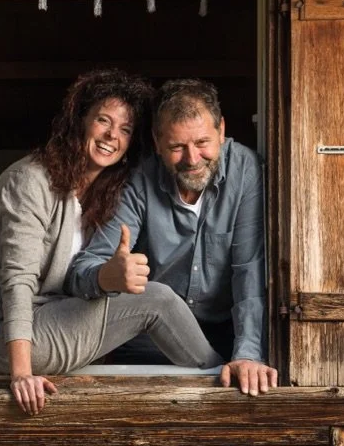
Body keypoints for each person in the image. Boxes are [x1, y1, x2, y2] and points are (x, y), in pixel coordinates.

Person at [0, 70, 234, 415]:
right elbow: (18, 281)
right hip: (6, 337)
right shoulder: (29, 181)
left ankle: (215, 377)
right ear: (79, 121)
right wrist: (21, 373)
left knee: (142, 298)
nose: (111, 136)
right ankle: (226, 383)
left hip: (50, 320)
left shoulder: (100, 193)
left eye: (124, 129)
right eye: (103, 121)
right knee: (157, 300)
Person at [66, 77, 278, 395]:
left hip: (226, 341)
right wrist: (107, 276)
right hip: (146, 346)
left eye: (203, 143)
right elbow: (82, 271)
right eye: (177, 147)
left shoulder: (246, 171)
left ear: (221, 131)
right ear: (156, 142)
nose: (192, 159)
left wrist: (247, 354)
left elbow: (249, 271)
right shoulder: (139, 178)